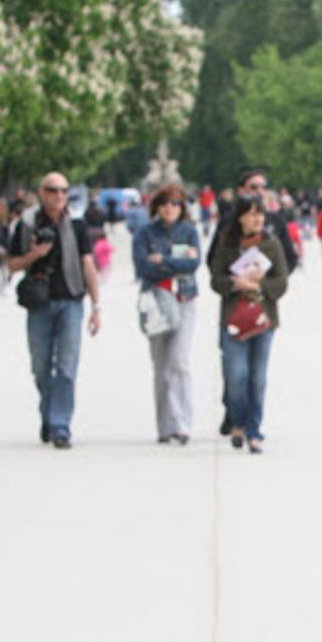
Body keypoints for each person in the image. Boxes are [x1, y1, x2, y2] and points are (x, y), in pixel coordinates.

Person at [7, 172, 103, 449]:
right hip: (39, 304)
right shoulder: (26, 224)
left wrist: (96, 306)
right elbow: (11, 265)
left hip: (71, 301)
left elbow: (88, 265)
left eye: (63, 190)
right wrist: (34, 255)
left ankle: (61, 425)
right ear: (41, 192)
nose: (59, 196)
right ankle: (48, 413)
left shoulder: (76, 224)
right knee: (40, 367)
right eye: (53, 190)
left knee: (67, 367)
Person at [210, 194, 289, 454]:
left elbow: (282, 282)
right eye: (252, 214)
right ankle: (238, 421)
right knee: (236, 375)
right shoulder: (227, 244)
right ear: (241, 216)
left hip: (263, 317)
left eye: (261, 214)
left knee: (257, 377)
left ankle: (253, 429)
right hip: (234, 317)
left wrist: (258, 285)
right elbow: (215, 280)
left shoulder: (271, 244)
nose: (257, 219)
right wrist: (234, 284)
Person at [133, 184, 201, 446]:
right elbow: (143, 266)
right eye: (164, 204)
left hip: (183, 298)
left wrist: (162, 260)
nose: (169, 209)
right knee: (161, 367)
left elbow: (194, 264)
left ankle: (183, 423)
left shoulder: (189, 231)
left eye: (174, 204)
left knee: (180, 362)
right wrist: (176, 261)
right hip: (156, 301)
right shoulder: (145, 232)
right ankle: (165, 425)